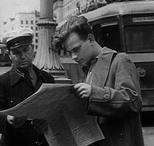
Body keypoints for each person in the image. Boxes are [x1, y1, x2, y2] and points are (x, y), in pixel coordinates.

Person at [55, 16, 144, 146]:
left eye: (76, 49)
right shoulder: (88, 69)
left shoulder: (120, 60)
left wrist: (93, 92)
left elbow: (133, 102)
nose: (73, 57)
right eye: (70, 52)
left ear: (90, 39)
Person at [0, 28, 55, 146]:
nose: (23, 56)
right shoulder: (2, 82)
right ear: (9, 55)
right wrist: (8, 120)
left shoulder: (48, 79)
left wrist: (48, 122)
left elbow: (56, 112)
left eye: (26, 50)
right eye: (16, 53)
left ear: (33, 49)